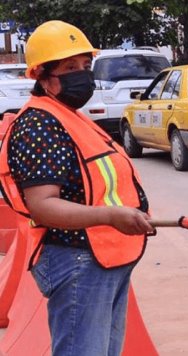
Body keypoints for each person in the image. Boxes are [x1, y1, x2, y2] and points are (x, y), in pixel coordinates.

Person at [0, 20, 154, 355]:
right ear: (42, 74)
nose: (81, 74)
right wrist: (111, 215)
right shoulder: (39, 124)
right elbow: (43, 205)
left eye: (85, 65)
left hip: (105, 257)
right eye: (70, 67)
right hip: (77, 261)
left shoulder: (71, 116)